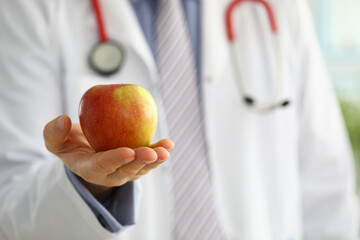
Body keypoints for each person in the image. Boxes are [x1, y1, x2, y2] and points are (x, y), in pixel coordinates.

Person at [0, 0, 358, 239]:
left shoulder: (278, 9)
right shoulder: (31, 9)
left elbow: (327, 193)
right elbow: (10, 207)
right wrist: (87, 187)